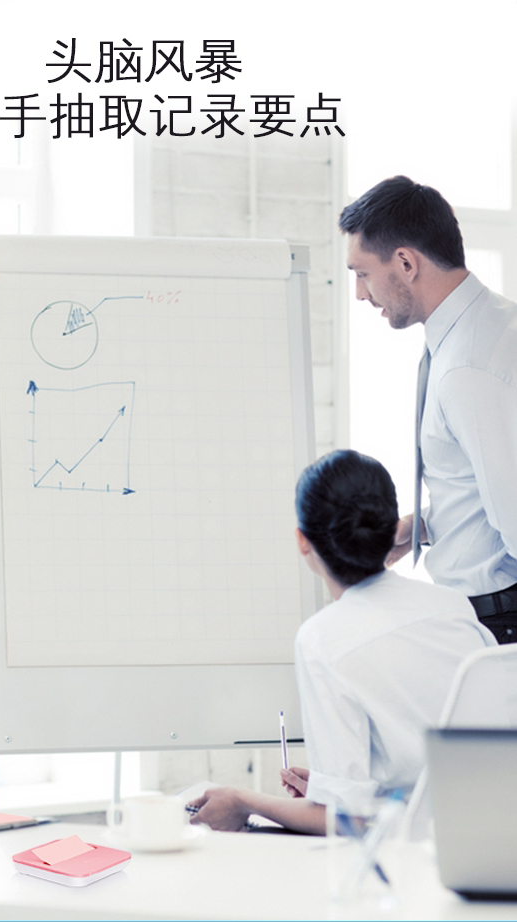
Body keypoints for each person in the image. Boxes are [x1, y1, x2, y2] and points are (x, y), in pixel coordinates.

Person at [189, 450, 495, 834]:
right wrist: (327, 787)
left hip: (409, 852)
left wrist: (242, 801)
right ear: (392, 528)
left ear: (303, 541)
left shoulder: (322, 639)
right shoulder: (451, 604)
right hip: (493, 830)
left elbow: (349, 819)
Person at [339, 176, 517, 644]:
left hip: (497, 620)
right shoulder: (491, 325)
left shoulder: (467, 366)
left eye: (362, 273)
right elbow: (489, 482)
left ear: (405, 262)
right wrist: (426, 525)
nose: (360, 294)